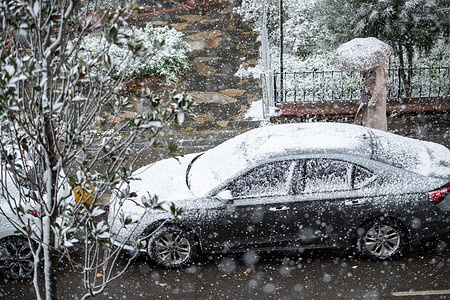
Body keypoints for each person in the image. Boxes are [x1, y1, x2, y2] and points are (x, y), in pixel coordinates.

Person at [354, 64, 388, 131]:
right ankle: (368, 132)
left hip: (377, 97)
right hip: (368, 94)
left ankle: (377, 135)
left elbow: (379, 85)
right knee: (367, 117)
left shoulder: (380, 67)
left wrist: (373, 100)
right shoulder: (370, 65)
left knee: (377, 120)